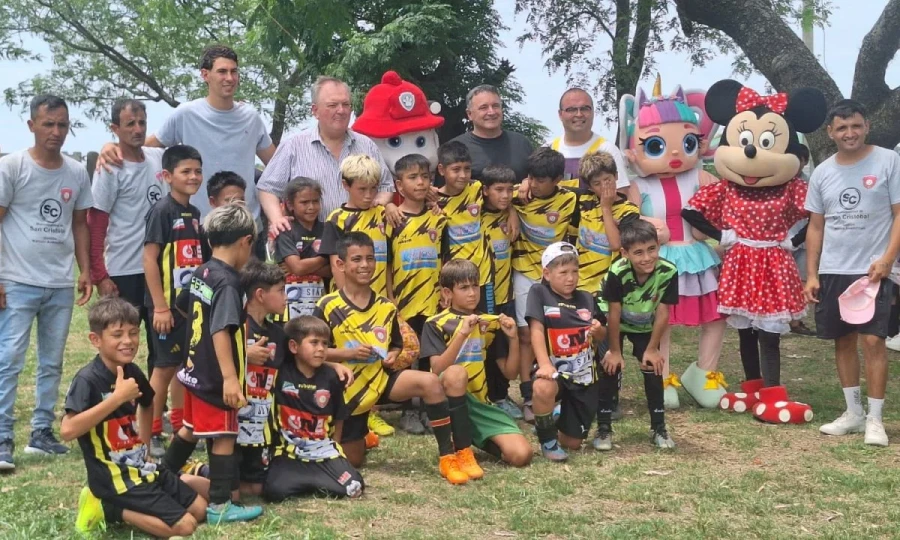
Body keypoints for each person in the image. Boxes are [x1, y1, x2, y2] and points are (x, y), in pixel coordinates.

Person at [313, 232, 472, 485]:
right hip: (347, 392)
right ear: (341, 265)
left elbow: (397, 344)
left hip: (380, 382)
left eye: (370, 258)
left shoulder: (386, 307)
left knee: (430, 382)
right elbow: (313, 353)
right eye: (356, 259)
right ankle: (364, 437)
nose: (365, 265)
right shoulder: (327, 305)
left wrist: (392, 355)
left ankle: (448, 456)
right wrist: (347, 354)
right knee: (352, 460)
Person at [99, 45, 276, 256]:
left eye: (234, 71)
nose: (229, 77)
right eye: (222, 71)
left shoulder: (251, 117)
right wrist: (112, 146)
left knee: (254, 289)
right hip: (199, 228)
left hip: (247, 228)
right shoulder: (186, 114)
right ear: (205, 75)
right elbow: (147, 144)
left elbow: (276, 164)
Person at [0, 95, 93, 470]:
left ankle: (41, 433)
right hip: (17, 279)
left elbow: (79, 224)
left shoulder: (76, 172)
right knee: (9, 359)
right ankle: (3, 436)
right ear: (32, 125)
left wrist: (85, 270)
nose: (56, 132)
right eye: (48, 124)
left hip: (58, 282)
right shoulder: (12, 167)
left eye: (62, 125)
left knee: (52, 362)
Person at [65, 297, 208, 538]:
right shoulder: (87, 380)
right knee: (185, 527)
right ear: (95, 340)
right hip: (113, 477)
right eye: (117, 335)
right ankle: (109, 508)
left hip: (140, 465)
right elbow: (67, 430)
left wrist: (144, 443)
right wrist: (116, 399)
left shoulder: (132, 371)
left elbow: (147, 402)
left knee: (201, 510)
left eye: (133, 333)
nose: (128, 341)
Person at [804, 99, 900, 447]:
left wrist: (889, 259)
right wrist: (811, 273)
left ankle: (875, 419)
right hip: (833, 270)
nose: (850, 133)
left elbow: (899, 213)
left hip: (874, 270)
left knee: (874, 341)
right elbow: (815, 226)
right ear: (830, 132)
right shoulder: (823, 172)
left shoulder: (889, 161)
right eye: (842, 128)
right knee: (842, 341)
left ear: (867, 126)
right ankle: (853, 413)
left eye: (856, 126)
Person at [160, 203, 263, 524]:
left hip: (192, 370)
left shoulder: (202, 271)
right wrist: (231, 379)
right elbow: (221, 329)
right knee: (224, 435)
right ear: (246, 241)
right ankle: (220, 504)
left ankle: (160, 476)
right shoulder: (229, 283)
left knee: (191, 428)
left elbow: (182, 305)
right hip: (215, 376)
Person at [419, 259, 532, 468]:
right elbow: (437, 370)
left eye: (475, 286)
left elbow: (509, 373)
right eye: (464, 288)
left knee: (521, 455)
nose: (472, 293)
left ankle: (473, 439)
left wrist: (514, 338)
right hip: (447, 402)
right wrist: (463, 333)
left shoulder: (489, 323)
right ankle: (460, 447)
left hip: (480, 404)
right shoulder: (435, 323)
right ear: (447, 293)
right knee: (455, 374)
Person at [257, 76, 397, 230]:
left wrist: (375, 204)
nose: (341, 110)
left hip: (361, 242)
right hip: (312, 243)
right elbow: (268, 188)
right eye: (332, 105)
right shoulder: (293, 146)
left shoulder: (367, 145)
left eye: (345, 104)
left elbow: (386, 186)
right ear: (315, 110)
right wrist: (277, 219)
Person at [89, 99, 166, 378]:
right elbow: (96, 222)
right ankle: (117, 404)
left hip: (157, 270)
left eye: (141, 123)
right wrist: (100, 274)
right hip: (123, 270)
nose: (137, 129)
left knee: (163, 344)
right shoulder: (110, 166)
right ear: (115, 128)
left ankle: (153, 410)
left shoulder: (157, 158)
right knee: (122, 344)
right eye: (129, 124)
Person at [142, 145, 204, 458]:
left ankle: (180, 425)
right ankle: (151, 430)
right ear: (167, 176)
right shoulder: (162, 211)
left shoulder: (195, 214)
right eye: (185, 171)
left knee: (183, 367)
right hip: (166, 308)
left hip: (188, 308)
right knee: (164, 368)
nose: (193, 177)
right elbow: (150, 259)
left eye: (197, 171)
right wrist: (160, 307)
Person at [511, 148, 579, 422]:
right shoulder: (518, 194)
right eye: (531, 178)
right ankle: (528, 394)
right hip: (524, 273)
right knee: (527, 334)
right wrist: (511, 211)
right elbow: (491, 193)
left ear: (558, 179)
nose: (535, 184)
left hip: (555, 277)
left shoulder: (571, 200)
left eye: (541, 180)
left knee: (556, 335)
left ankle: (560, 391)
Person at [264, 316, 364, 501]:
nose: (320, 349)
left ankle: (312, 480)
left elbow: (339, 416)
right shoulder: (281, 372)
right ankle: (315, 480)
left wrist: (336, 446)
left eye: (325, 344)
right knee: (274, 491)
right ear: (294, 347)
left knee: (354, 487)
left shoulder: (331, 378)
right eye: (314, 343)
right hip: (290, 451)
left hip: (323, 450)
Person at [598, 220, 678, 450]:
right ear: (625, 253)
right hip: (616, 321)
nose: (646, 258)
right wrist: (614, 351)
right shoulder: (617, 271)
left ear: (659, 247)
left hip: (644, 323)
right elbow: (613, 313)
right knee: (609, 368)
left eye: (651, 249)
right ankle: (604, 428)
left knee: (653, 368)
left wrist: (652, 349)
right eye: (638, 252)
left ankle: (659, 427)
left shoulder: (669, 271)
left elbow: (663, 313)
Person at [385, 153, 448, 434]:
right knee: (407, 355)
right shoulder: (392, 219)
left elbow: (445, 257)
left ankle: (427, 409)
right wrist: (390, 297)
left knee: (429, 357)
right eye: (413, 177)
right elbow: (386, 262)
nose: (420, 182)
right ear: (399, 185)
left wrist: (446, 291)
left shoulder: (439, 218)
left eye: (425, 176)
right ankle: (408, 411)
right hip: (404, 302)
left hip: (432, 302)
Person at [528, 242, 606, 462]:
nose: (570, 278)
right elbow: (536, 330)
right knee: (543, 386)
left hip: (584, 376)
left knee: (572, 443)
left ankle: (555, 416)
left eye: (574, 271)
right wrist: (544, 364)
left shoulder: (587, 299)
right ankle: (547, 441)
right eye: (563, 272)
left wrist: (599, 331)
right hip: (555, 371)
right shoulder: (539, 292)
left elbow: (602, 336)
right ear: (547, 273)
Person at [235, 260, 289, 498]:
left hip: (263, 427)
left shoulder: (278, 333)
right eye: (280, 291)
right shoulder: (233, 328)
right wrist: (244, 356)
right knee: (232, 486)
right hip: (233, 426)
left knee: (261, 489)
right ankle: (200, 471)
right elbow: (207, 361)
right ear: (260, 294)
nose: (286, 297)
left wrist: (333, 367)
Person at [480, 166, 523, 419]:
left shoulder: (509, 215)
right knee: (489, 347)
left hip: (506, 293)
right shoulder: (474, 214)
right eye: (499, 190)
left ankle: (501, 394)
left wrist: (513, 211)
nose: (505, 195)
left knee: (503, 345)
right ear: (485, 191)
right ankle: (489, 397)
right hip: (484, 293)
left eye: (509, 190)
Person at [549, 87, 638, 202]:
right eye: (571, 109)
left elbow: (621, 196)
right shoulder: (549, 149)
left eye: (585, 109)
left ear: (593, 112)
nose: (579, 114)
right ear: (560, 114)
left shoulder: (607, 149)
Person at [318, 155, 389, 297]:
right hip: (349, 301)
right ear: (346, 185)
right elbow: (336, 266)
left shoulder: (384, 214)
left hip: (381, 301)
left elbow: (390, 263)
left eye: (373, 188)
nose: (368, 195)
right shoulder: (336, 219)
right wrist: (348, 302)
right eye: (362, 189)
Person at [574, 152, 641, 294]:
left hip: (611, 287)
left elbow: (616, 245)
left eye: (607, 180)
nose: (604, 186)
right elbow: (553, 188)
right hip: (581, 284)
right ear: (590, 187)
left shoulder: (629, 211)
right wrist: (525, 183)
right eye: (597, 184)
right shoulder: (583, 199)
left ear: (616, 176)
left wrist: (606, 208)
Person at [449, 85, 534, 182]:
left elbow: (540, 180)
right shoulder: (455, 148)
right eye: (483, 107)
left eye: (495, 106)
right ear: (469, 114)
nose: (491, 112)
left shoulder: (521, 143)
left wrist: (529, 182)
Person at [273, 177, 330, 320]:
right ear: (291, 205)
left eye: (315, 201)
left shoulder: (328, 230)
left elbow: (333, 271)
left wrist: (299, 264)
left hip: (321, 304)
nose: (311, 207)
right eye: (304, 202)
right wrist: (324, 258)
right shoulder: (285, 230)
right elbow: (297, 268)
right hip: (288, 307)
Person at [201, 171, 247, 262]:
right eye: (229, 200)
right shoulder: (203, 234)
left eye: (241, 200)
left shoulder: (247, 231)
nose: (237, 205)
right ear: (213, 202)